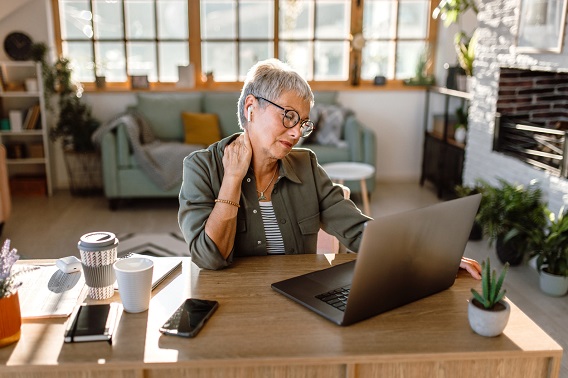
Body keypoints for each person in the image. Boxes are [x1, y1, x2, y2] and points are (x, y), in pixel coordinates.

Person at [178, 58, 482, 279]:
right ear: (251, 109)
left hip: (296, 299)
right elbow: (209, 259)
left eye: (302, 123)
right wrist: (231, 180)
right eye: (288, 117)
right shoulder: (201, 168)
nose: (296, 133)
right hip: (232, 306)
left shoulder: (306, 165)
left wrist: (435, 256)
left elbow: (360, 230)